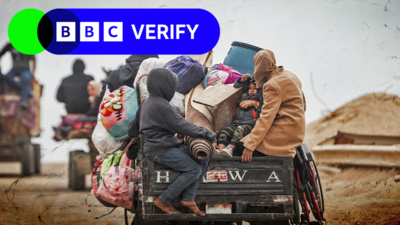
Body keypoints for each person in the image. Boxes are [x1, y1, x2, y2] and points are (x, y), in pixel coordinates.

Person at [128, 68, 217, 216]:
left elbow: (132, 130)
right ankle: (164, 199)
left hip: (161, 146)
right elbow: (184, 125)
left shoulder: (146, 103)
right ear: (165, 86)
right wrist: (210, 135)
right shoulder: (162, 105)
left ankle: (188, 198)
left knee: (202, 157)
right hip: (160, 149)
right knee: (194, 170)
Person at [239, 49, 306, 162]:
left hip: (283, 133)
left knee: (239, 146)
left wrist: (249, 146)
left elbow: (266, 118)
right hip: (298, 130)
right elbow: (303, 105)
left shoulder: (271, 85)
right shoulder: (290, 75)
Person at [93, 55, 158, 114]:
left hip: (120, 122)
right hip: (149, 119)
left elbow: (103, 97)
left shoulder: (115, 74)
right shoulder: (156, 74)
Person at [216, 75, 262, 157]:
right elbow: (237, 86)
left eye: (255, 88)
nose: (252, 90)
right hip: (237, 123)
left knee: (239, 130)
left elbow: (263, 108)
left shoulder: (259, 98)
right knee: (224, 131)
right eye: (250, 88)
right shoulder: (244, 94)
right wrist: (242, 80)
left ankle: (230, 148)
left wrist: (253, 103)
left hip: (250, 125)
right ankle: (220, 152)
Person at [0, 42, 36, 108]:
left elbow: (34, 61)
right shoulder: (9, 45)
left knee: (26, 78)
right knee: (5, 77)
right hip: (14, 69)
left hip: (25, 69)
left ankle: (24, 100)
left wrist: (33, 74)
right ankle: (25, 91)